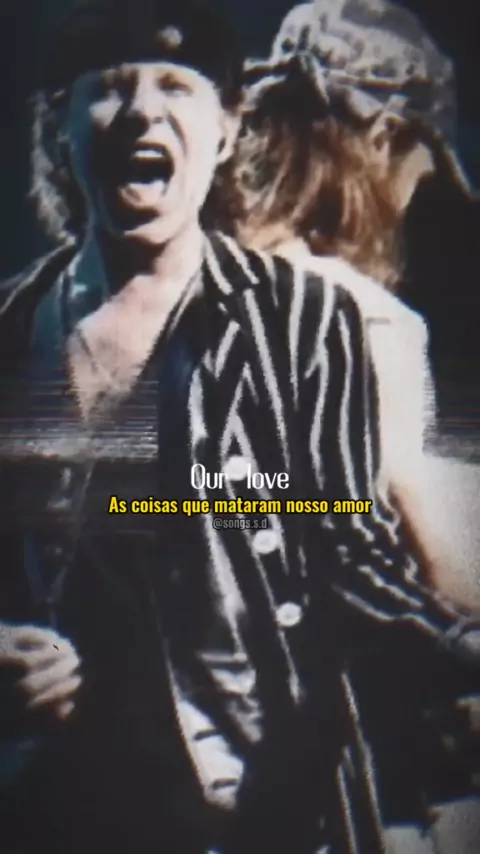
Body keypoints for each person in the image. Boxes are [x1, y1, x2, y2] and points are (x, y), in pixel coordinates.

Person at [0, 1, 479, 852]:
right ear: (58, 127)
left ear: (227, 129)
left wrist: (455, 643)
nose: (142, 111)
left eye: (175, 87)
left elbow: (346, 543)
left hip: (264, 812)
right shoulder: (13, 328)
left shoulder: (308, 320)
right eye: (109, 88)